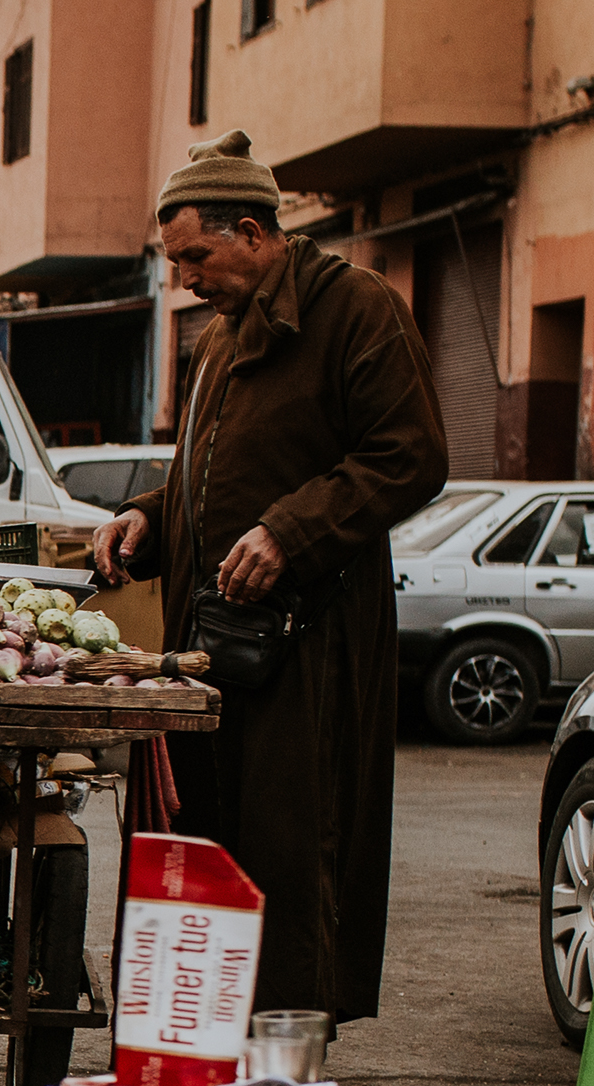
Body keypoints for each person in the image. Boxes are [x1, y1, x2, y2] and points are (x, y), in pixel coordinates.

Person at [93, 131, 448, 1027]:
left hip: (308, 647)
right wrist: (153, 517)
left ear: (251, 231)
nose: (185, 280)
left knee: (294, 849)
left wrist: (291, 534)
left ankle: (284, 1065)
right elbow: (213, 477)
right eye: (175, 262)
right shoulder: (220, 339)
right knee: (201, 843)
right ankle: (195, 1047)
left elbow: (411, 457)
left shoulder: (356, 309)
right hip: (210, 644)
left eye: (195, 257)